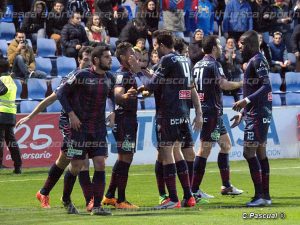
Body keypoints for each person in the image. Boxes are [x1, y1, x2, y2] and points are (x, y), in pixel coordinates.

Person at [16, 47, 102, 213]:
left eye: (90, 60)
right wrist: (30, 116)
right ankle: (89, 201)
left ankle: (43, 192)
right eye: (84, 59)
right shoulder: (72, 77)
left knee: (64, 161)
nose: (87, 62)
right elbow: (51, 99)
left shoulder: (95, 79)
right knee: (81, 160)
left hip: (86, 124)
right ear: (79, 60)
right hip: (69, 123)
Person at [141, 30, 202, 209]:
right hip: (183, 111)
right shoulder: (185, 59)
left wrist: (138, 72)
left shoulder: (167, 59)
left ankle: (173, 199)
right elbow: (190, 87)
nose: (154, 49)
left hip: (168, 112)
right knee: (177, 152)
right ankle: (189, 196)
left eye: (155, 45)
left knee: (167, 153)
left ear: (160, 45)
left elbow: (152, 85)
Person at [56, 45, 115, 215]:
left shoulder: (109, 78)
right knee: (76, 165)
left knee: (100, 163)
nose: (110, 59)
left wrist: (111, 110)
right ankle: (66, 199)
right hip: (79, 129)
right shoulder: (81, 75)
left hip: (98, 128)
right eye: (106, 57)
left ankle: (97, 206)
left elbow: (111, 96)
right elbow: (61, 93)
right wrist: (71, 115)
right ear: (96, 60)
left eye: (110, 56)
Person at [191, 35, 244, 200]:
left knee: (226, 145)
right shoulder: (214, 64)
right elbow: (223, 84)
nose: (221, 48)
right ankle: (193, 190)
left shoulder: (198, 64)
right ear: (214, 48)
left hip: (211, 111)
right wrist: (243, 84)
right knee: (205, 149)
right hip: (211, 112)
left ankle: (226, 186)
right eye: (219, 45)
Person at [102, 42, 147, 209]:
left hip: (127, 118)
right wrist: (127, 96)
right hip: (124, 120)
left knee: (123, 158)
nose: (134, 57)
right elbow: (118, 96)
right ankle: (121, 200)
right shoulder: (122, 74)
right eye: (131, 54)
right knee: (126, 158)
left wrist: (136, 92)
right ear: (122, 57)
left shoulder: (128, 73)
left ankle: (109, 196)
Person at [232, 30, 272, 207]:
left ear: (249, 44)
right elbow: (252, 87)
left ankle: (260, 196)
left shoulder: (257, 60)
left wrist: (245, 101)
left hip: (258, 114)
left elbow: (266, 85)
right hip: (254, 112)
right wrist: (243, 112)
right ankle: (266, 196)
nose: (239, 46)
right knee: (260, 152)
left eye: (241, 43)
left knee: (248, 152)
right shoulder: (254, 61)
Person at [0, 58, 22, 174]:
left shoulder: (1, 79)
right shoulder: (11, 80)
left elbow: (2, 91)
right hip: (10, 114)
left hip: (1, 113)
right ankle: (18, 166)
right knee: (11, 142)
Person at [219, 38, 243, 102]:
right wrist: (225, 58)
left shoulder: (237, 51)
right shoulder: (222, 52)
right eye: (229, 42)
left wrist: (235, 58)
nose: (230, 43)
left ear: (234, 43)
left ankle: (238, 106)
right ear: (226, 43)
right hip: (226, 74)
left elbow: (241, 60)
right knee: (224, 91)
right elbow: (220, 62)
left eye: (232, 42)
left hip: (235, 74)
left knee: (236, 91)